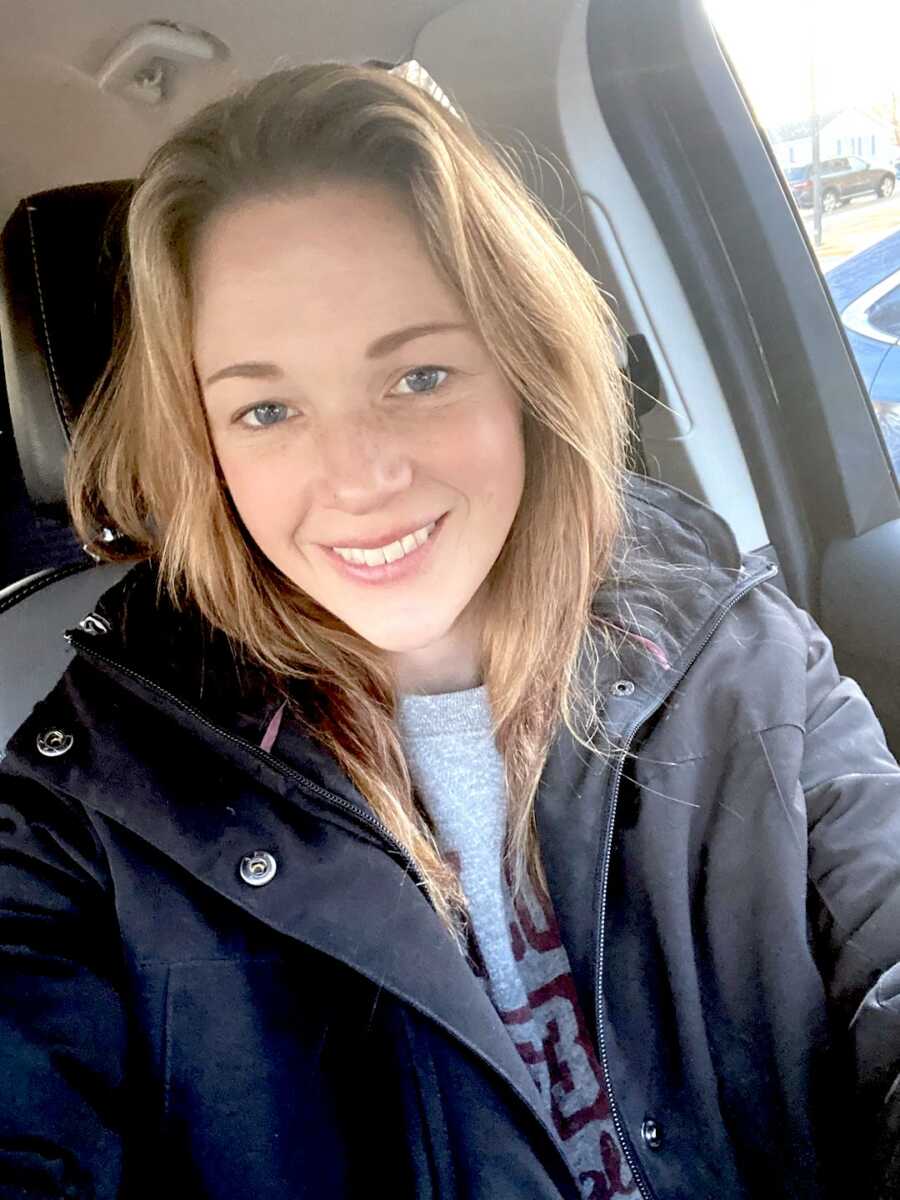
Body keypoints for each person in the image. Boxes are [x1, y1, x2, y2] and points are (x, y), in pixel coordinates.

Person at [2, 61, 900, 1200]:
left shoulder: (738, 654)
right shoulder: (85, 808)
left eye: (419, 374)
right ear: (202, 441)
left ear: (524, 367)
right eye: (267, 408)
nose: (362, 476)